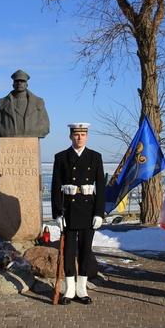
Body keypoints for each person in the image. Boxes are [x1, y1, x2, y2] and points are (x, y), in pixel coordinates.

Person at [51, 123, 106, 305]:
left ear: (87, 137)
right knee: (68, 251)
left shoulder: (95, 157)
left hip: (88, 209)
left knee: (85, 250)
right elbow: (54, 188)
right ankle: (69, 290)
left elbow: (101, 187)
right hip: (69, 209)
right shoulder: (61, 157)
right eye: (76, 135)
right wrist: (58, 214)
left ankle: (82, 289)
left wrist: (99, 213)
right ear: (70, 137)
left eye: (83, 134)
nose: (79, 138)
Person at [0, 69, 50, 138]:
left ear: (26, 85)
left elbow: (45, 126)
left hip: (31, 141)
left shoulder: (38, 102)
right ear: (13, 84)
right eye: (17, 81)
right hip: (8, 141)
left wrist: (32, 131)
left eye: (22, 81)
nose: (19, 83)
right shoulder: (2, 102)